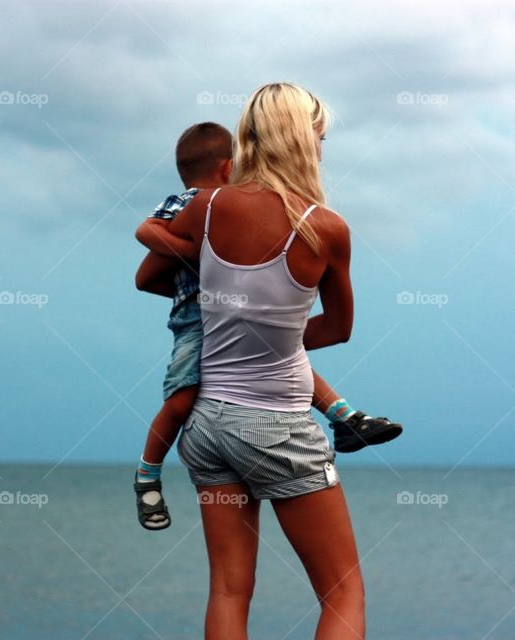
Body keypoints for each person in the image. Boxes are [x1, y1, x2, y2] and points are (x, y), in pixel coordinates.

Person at [136, 82, 374, 638]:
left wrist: (226, 321)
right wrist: (275, 334)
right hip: (279, 428)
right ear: (300, 138)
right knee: (343, 591)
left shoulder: (206, 206)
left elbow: (150, 276)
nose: (321, 148)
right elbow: (338, 329)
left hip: (206, 427)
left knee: (228, 587)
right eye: (319, 136)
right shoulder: (328, 229)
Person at [132, 122, 402, 533]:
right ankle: (147, 474)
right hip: (211, 338)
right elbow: (146, 245)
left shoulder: (215, 208)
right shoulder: (203, 206)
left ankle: (346, 417)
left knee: (228, 587)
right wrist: (203, 266)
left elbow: (146, 279)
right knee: (186, 394)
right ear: (228, 168)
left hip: (216, 392)